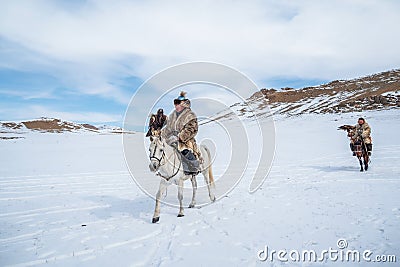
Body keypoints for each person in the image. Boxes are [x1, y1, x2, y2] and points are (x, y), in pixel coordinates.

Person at [161, 91, 201, 175]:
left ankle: (194, 167)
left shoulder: (190, 115)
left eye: (177, 103)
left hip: (185, 140)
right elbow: (168, 128)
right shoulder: (173, 115)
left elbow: (191, 128)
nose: (175, 105)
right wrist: (160, 136)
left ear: (183, 104)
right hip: (172, 139)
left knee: (184, 151)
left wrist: (180, 136)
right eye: (175, 103)